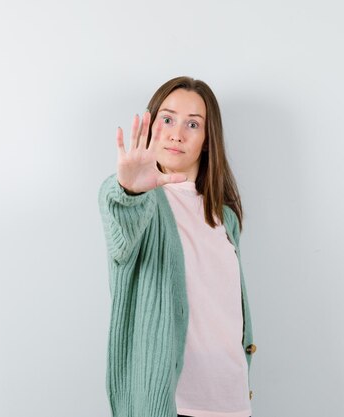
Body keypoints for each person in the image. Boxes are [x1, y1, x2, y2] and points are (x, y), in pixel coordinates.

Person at [99, 76, 256, 417]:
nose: (176, 133)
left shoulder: (224, 216)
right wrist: (130, 192)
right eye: (168, 119)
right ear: (152, 123)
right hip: (171, 405)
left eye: (193, 124)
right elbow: (121, 236)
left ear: (206, 141)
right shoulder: (139, 202)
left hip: (231, 403)